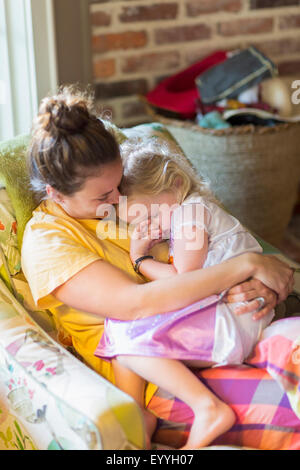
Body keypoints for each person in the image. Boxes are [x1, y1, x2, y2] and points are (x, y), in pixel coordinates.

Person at [21, 86, 294, 449]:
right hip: (155, 374)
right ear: (55, 192)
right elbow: (137, 305)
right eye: (104, 196)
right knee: (289, 416)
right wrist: (246, 266)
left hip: (214, 328)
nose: (118, 201)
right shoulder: (48, 241)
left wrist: (269, 280)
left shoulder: (126, 202)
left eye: (118, 185)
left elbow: (215, 238)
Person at [94, 138, 275, 448]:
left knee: (126, 340)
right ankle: (139, 418)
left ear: (175, 184)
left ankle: (209, 409)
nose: (151, 228)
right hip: (234, 316)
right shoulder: (191, 212)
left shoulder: (190, 214)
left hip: (232, 320)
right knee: (122, 345)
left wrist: (141, 259)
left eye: (148, 216)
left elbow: (184, 280)